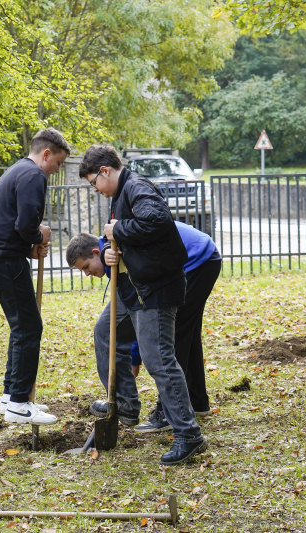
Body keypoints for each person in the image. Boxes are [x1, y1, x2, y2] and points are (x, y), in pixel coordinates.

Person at [77, 143, 207, 465]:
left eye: (94, 182)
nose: (96, 189)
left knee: (158, 359)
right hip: (132, 290)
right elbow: (124, 242)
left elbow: (157, 221)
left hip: (155, 290)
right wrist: (109, 249)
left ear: (105, 171)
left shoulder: (136, 187)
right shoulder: (120, 196)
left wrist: (117, 229)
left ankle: (188, 434)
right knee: (105, 332)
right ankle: (124, 404)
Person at [66, 220, 221, 434]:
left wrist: (135, 358)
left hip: (195, 261)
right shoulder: (113, 255)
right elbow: (137, 310)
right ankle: (196, 402)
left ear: (95, 252)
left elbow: (145, 313)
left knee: (175, 334)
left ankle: (167, 412)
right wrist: (134, 358)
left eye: (85, 267)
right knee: (187, 332)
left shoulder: (117, 251)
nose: (87, 274)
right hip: (202, 255)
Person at [0, 127, 70, 426]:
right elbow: (25, 223)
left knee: (21, 327)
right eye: (57, 163)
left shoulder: (18, 169)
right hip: (3, 258)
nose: (56, 170)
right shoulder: (33, 175)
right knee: (29, 327)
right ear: (45, 154)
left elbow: (9, 224)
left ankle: (9, 397)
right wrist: (38, 236)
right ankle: (18, 403)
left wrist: (29, 249)